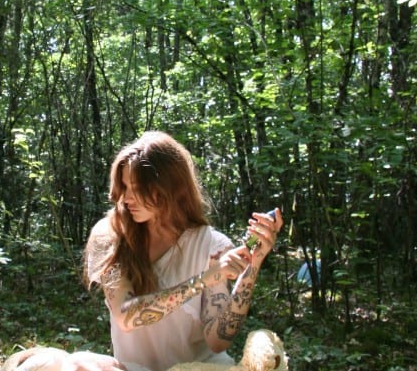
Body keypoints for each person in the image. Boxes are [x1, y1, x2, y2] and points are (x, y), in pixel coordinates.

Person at [82, 131, 283, 371]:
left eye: (136, 188)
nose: (126, 198)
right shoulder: (109, 236)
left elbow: (217, 341)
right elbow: (126, 316)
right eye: (124, 186)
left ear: (169, 188)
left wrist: (252, 264)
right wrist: (205, 279)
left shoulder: (211, 245)